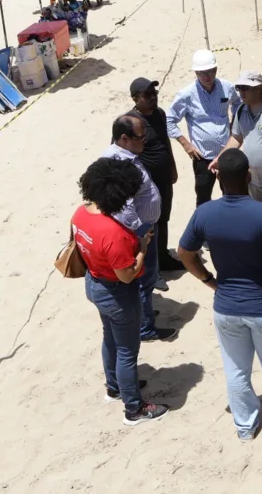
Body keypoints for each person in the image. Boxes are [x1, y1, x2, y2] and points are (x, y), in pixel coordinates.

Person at [177, 149, 262, 444]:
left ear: (218, 178)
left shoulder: (205, 212)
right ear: (248, 176)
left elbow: (185, 252)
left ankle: (246, 427)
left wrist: (208, 279)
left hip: (227, 305)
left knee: (236, 369)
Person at [72, 157, 169, 425]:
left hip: (94, 284)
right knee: (127, 351)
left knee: (110, 338)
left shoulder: (80, 214)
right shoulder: (113, 232)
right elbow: (126, 275)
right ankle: (134, 409)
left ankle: (114, 387)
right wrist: (142, 248)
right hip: (117, 293)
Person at [101, 116, 176, 342]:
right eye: (141, 138)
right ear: (124, 138)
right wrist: (141, 232)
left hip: (144, 229)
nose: (145, 142)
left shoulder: (129, 156)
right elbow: (122, 207)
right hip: (138, 235)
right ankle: (145, 328)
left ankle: (144, 314)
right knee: (143, 279)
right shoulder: (117, 164)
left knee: (147, 279)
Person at [210, 70, 262, 209]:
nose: (241, 92)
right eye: (239, 88)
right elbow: (236, 137)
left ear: (259, 88)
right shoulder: (242, 110)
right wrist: (220, 158)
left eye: (246, 88)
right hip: (253, 184)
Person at [167, 50, 240, 207]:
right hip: (202, 157)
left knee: (231, 195)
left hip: (226, 154)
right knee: (203, 197)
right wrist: (186, 145)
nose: (207, 77)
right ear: (195, 73)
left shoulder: (227, 87)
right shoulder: (186, 94)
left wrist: (235, 125)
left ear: (216, 70)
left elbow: (238, 103)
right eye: (201, 73)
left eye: (210, 72)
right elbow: (169, 120)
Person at [128, 78, 183, 274]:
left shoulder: (160, 114)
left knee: (163, 218)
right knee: (149, 225)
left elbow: (165, 143)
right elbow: (123, 154)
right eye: (148, 95)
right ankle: (152, 267)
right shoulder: (130, 123)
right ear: (135, 98)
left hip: (164, 178)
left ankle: (163, 258)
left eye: (155, 94)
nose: (154, 98)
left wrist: (172, 167)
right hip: (145, 185)